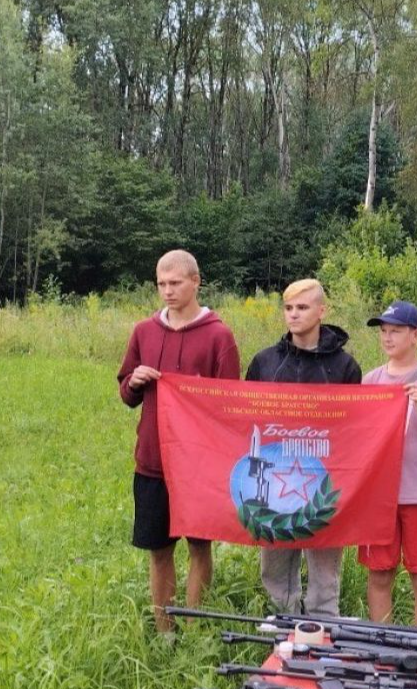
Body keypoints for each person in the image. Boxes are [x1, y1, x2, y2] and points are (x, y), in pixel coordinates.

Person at [117, 250, 240, 636]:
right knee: (159, 550)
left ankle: (194, 622)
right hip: (152, 461)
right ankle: (165, 628)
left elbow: (231, 406)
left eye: (175, 283)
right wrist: (134, 380)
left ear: (196, 282)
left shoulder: (219, 336)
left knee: (199, 547)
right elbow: (126, 394)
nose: (167, 291)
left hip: (199, 467)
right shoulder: (143, 332)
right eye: (161, 284)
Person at [245, 278, 361, 615]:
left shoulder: (344, 366)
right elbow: (246, 417)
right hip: (274, 476)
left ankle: (324, 622)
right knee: (276, 559)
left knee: (325, 558)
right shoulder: (265, 362)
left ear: (322, 311)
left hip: (325, 476)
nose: (294, 315)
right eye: (289, 308)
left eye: (303, 307)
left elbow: (355, 425)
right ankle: (283, 618)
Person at [357, 300, 417, 627]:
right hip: (379, 498)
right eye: (383, 331)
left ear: (416, 335)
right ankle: (380, 641)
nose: (387, 337)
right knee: (379, 573)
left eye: (395, 331)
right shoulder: (369, 381)